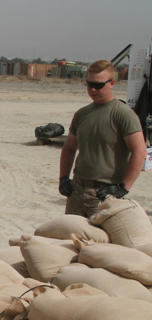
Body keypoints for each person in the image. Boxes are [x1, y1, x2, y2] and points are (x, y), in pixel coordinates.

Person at [58, 59, 146, 217]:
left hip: (105, 193)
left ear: (112, 83)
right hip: (77, 190)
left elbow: (139, 151)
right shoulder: (82, 114)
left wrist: (123, 187)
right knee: (71, 238)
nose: (93, 89)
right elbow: (69, 148)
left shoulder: (122, 114)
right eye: (89, 84)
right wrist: (64, 178)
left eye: (98, 85)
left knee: (102, 241)